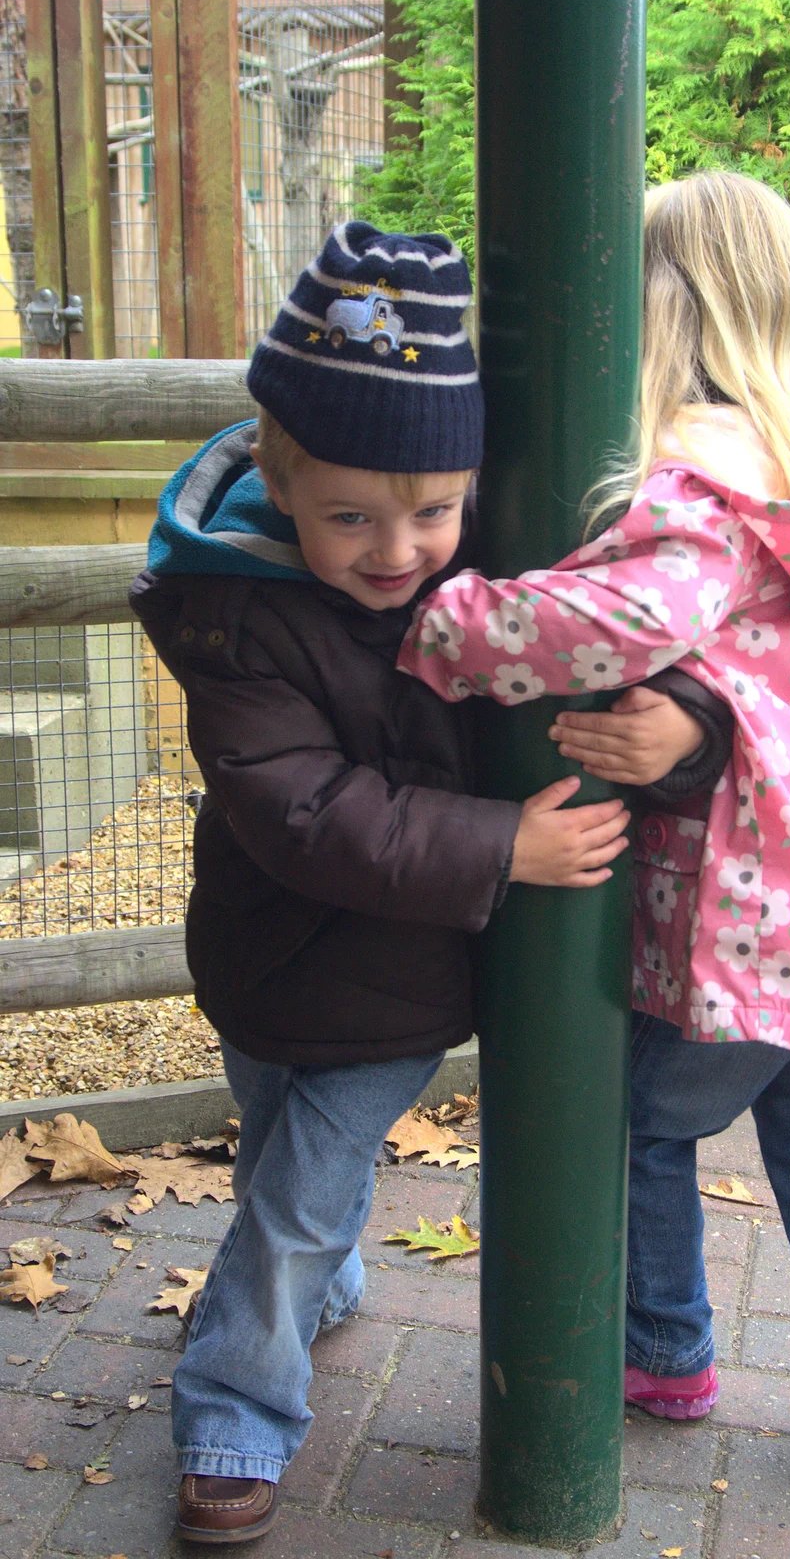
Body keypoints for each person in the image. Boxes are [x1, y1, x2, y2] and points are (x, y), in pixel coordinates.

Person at [132, 222, 729, 1543]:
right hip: (265, 954)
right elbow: (300, 812)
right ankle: (324, 1285)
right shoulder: (233, 612)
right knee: (284, 1169)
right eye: (351, 513)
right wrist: (499, 845)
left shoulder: (479, 575)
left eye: (432, 509)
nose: (398, 547)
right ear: (281, 483)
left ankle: (235, 1411)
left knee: (293, 1201)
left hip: (389, 987)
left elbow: (627, 631)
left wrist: (689, 722)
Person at [398, 172, 790, 1482]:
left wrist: (440, 622)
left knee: (635, 1129)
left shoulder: (698, 478)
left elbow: (623, 620)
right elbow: (783, 674)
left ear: (649, 311)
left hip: (756, 920)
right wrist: (707, 720)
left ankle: (659, 1348)